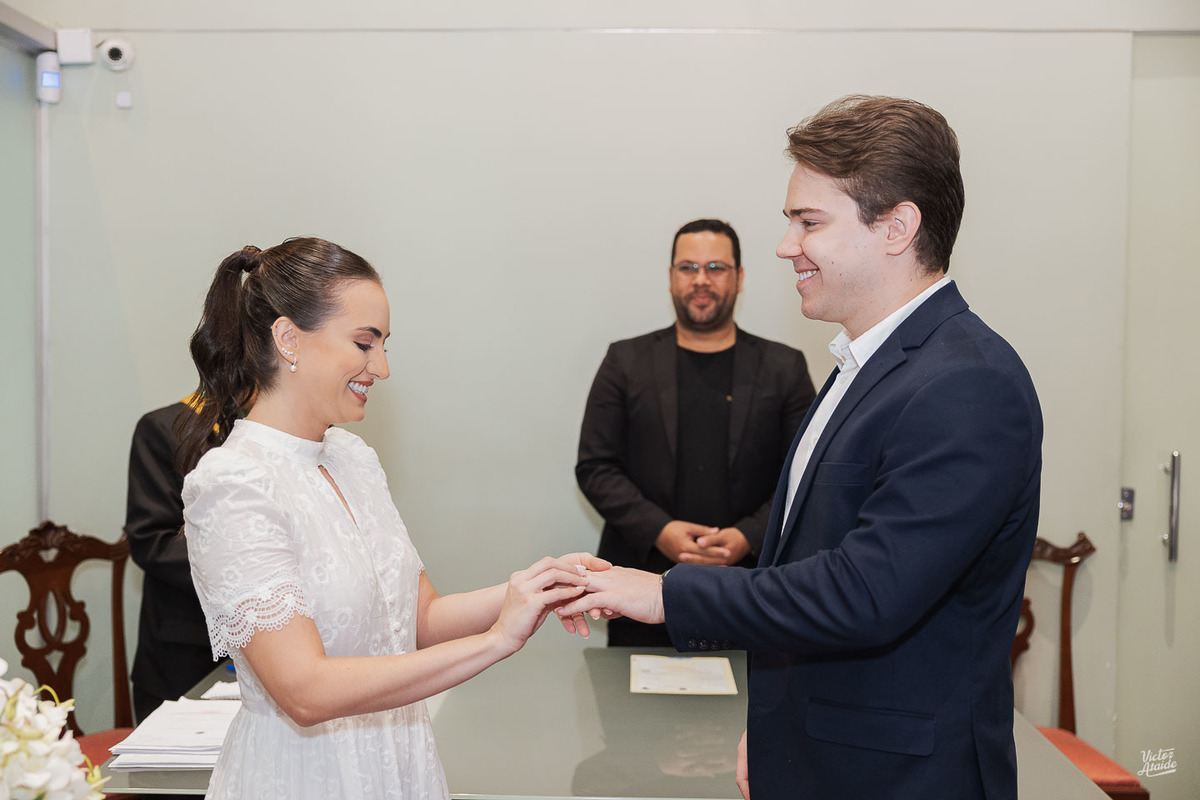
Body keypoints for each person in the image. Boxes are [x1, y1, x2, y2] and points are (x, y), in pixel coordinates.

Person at [559, 95, 1043, 800]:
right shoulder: (866, 366)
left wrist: (667, 593)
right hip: (825, 748)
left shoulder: (967, 383)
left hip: (898, 775)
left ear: (897, 227)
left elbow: (864, 591)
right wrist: (778, 718)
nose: (787, 245)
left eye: (809, 221)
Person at [179, 237, 606, 800]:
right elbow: (304, 691)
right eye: (364, 343)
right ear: (288, 339)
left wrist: (530, 590)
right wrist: (496, 642)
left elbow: (419, 617)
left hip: (397, 762)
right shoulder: (233, 483)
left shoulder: (353, 459)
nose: (380, 367)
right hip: (306, 778)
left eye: (383, 345)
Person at [575, 218, 816, 646]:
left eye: (716, 268)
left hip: (750, 589)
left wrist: (748, 536)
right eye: (688, 267)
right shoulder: (625, 362)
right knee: (634, 713)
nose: (701, 280)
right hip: (638, 585)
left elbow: (804, 472)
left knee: (747, 709)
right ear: (670, 277)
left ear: (739, 278)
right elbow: (596, 467)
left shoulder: (785, 368)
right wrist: (660, 530)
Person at [124, 396, 215, 723]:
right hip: (185, 655)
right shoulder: (165, 428)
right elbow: (153, 540)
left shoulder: (288, 429)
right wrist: (246, 570)